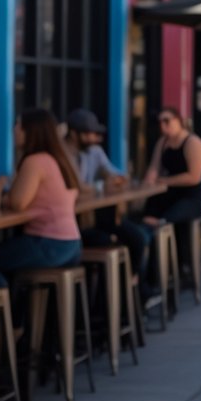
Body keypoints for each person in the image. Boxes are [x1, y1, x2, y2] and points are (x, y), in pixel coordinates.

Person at [0, 109, 82, 288]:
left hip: (49, 244)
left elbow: (17, 203)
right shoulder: (57, 159)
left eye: (18, 125)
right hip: (71, 245)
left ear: (31, 131)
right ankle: (11, 308)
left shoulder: (36, 161)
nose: (14, 130)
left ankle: (0, 303)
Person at [66, 108, 150, 289]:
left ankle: (132, 293)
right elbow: (74, 189)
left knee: (136, 237)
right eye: (88, 133)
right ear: (74, 134)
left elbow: (115, 175)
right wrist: (101, 186)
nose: (93, 138)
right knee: (117, 239)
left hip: (93, 216)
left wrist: (116, 180)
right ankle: (111, 304)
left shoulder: (94, 151)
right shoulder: (64, 156)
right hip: (73, 224)